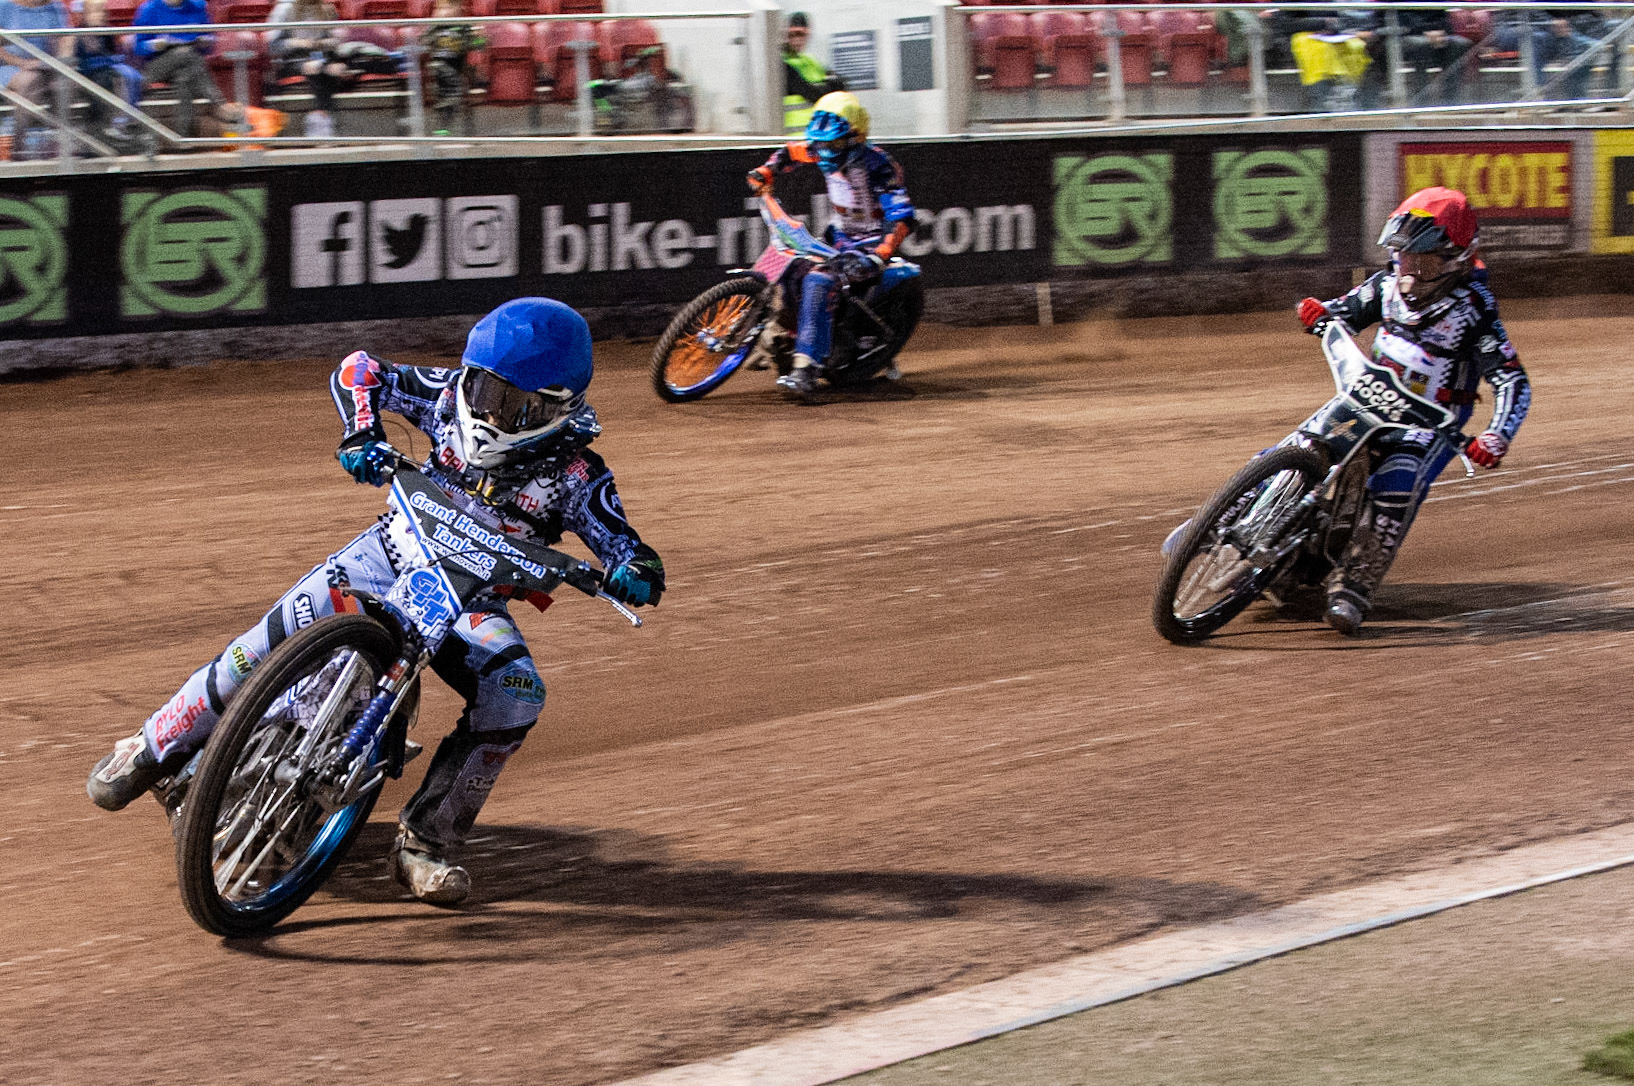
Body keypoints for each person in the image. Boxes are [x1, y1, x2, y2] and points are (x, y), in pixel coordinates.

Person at [86, 298, 667, 906]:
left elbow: (631, 549)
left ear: (555, 407)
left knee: (517, 694)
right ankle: (153, 744)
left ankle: (426, 842)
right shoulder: (448, 396)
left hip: (472, 602)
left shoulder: (577, 476)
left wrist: (632, 573)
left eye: (510, 402)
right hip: (386, 552)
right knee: (266, 639)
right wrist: (360, 430)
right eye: (481, 388)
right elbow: (360, 369)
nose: (486, 410)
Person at [1294, 187, 1530, 635]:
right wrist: (1319, 312)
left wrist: (1496, 435)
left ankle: (1354, 586)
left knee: (1396, 485)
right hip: (1368, 394)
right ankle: (1227, 518)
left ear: (1458, 259)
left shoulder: (1474, 311)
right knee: (1306, 442)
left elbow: (1512, 380)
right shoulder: (1385, 286)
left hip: (1429, 422)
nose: (1411, 272)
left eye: (1424, 263)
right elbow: (1344, 311)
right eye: (1405, 258)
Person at [745, 90, 915, 397]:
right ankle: (785, 337)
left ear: (856, 138)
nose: (823, 152)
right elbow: (789, 152)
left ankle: (806, 373)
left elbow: (901, 217)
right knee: (788, 265)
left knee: (819, 281)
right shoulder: (823, 148)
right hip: (838, 236)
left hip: (870, 245)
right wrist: (766, 170)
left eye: (833, 143)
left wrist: (880, 255)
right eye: (819, 143)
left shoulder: (880, 166)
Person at [131, 0, 230, 139]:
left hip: (190, 63)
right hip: (155, 66)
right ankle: (218, 104)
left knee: (184, 78)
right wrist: (154, 45)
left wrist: (206, 42)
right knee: (185, 53)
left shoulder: (197, 6)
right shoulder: (149, 9)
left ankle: (184, 136)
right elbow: (138, 48)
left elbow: (210, 41)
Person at [0, 0, 72, 156]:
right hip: (10, 66)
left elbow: (65, 39)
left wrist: (60, 62)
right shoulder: (4, 6)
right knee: (29, 81)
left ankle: (58, 142)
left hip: (46, 66)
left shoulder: (55, 7)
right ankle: (18, 147)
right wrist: (22, 63)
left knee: (63, 84)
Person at [267, 0, 348, 137]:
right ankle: (320, 120)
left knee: (335, 68)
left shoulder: (326, 9)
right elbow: (273, 47)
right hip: (292, 60)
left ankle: (321, 116)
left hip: (321, 57)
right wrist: (297, 43)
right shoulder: (284, 9)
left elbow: (334, 41)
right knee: (315, 67)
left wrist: (324, 43)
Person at [73, 0, 142, 139]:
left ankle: (129, 120)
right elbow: (81, 62)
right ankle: (115, 123)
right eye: (95, 12)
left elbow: (113, 54)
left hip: (109, 67)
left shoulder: (107, 32)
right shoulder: (79, 35)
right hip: (91, 72)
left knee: (134, 76)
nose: (100, 15)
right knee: (113, 79)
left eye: (102, 11)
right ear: (85, 15)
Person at [420, 0, 483, 136]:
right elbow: (423, 42)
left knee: (453, 91)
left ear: (459, 9)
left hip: (456, 67)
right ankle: (441, 125)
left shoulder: (464, 27)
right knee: (445, 86)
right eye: (439, 9)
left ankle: (443, 126)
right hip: (438, 65)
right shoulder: (435, 27)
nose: (442, 13)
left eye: (448, 8)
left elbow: (479, 45)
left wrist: (479, 36)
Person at [781, 11, 843, 136]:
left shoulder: (810, 61)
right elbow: (811, 92)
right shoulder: (782, 64)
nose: (797, 39)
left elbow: (841, 84)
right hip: (795, 138)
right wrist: (828, 87)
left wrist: (827, 87)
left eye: (801, 34)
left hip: (817, 136)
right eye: (793, 34)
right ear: (786, 34)